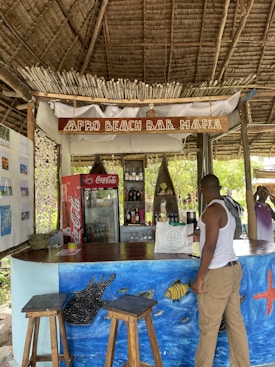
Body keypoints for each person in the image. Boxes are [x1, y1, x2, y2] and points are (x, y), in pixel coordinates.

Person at [191, 174, 250, 367]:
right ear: (219, 187)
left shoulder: (212, 211)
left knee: (209, 328)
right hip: (233, 269)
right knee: (235, 324)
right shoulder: (226, 207)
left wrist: (200, 278)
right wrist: (200, 235)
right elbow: (226, 234)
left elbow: (210, 246)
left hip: (217, 275)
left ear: (201, 189)